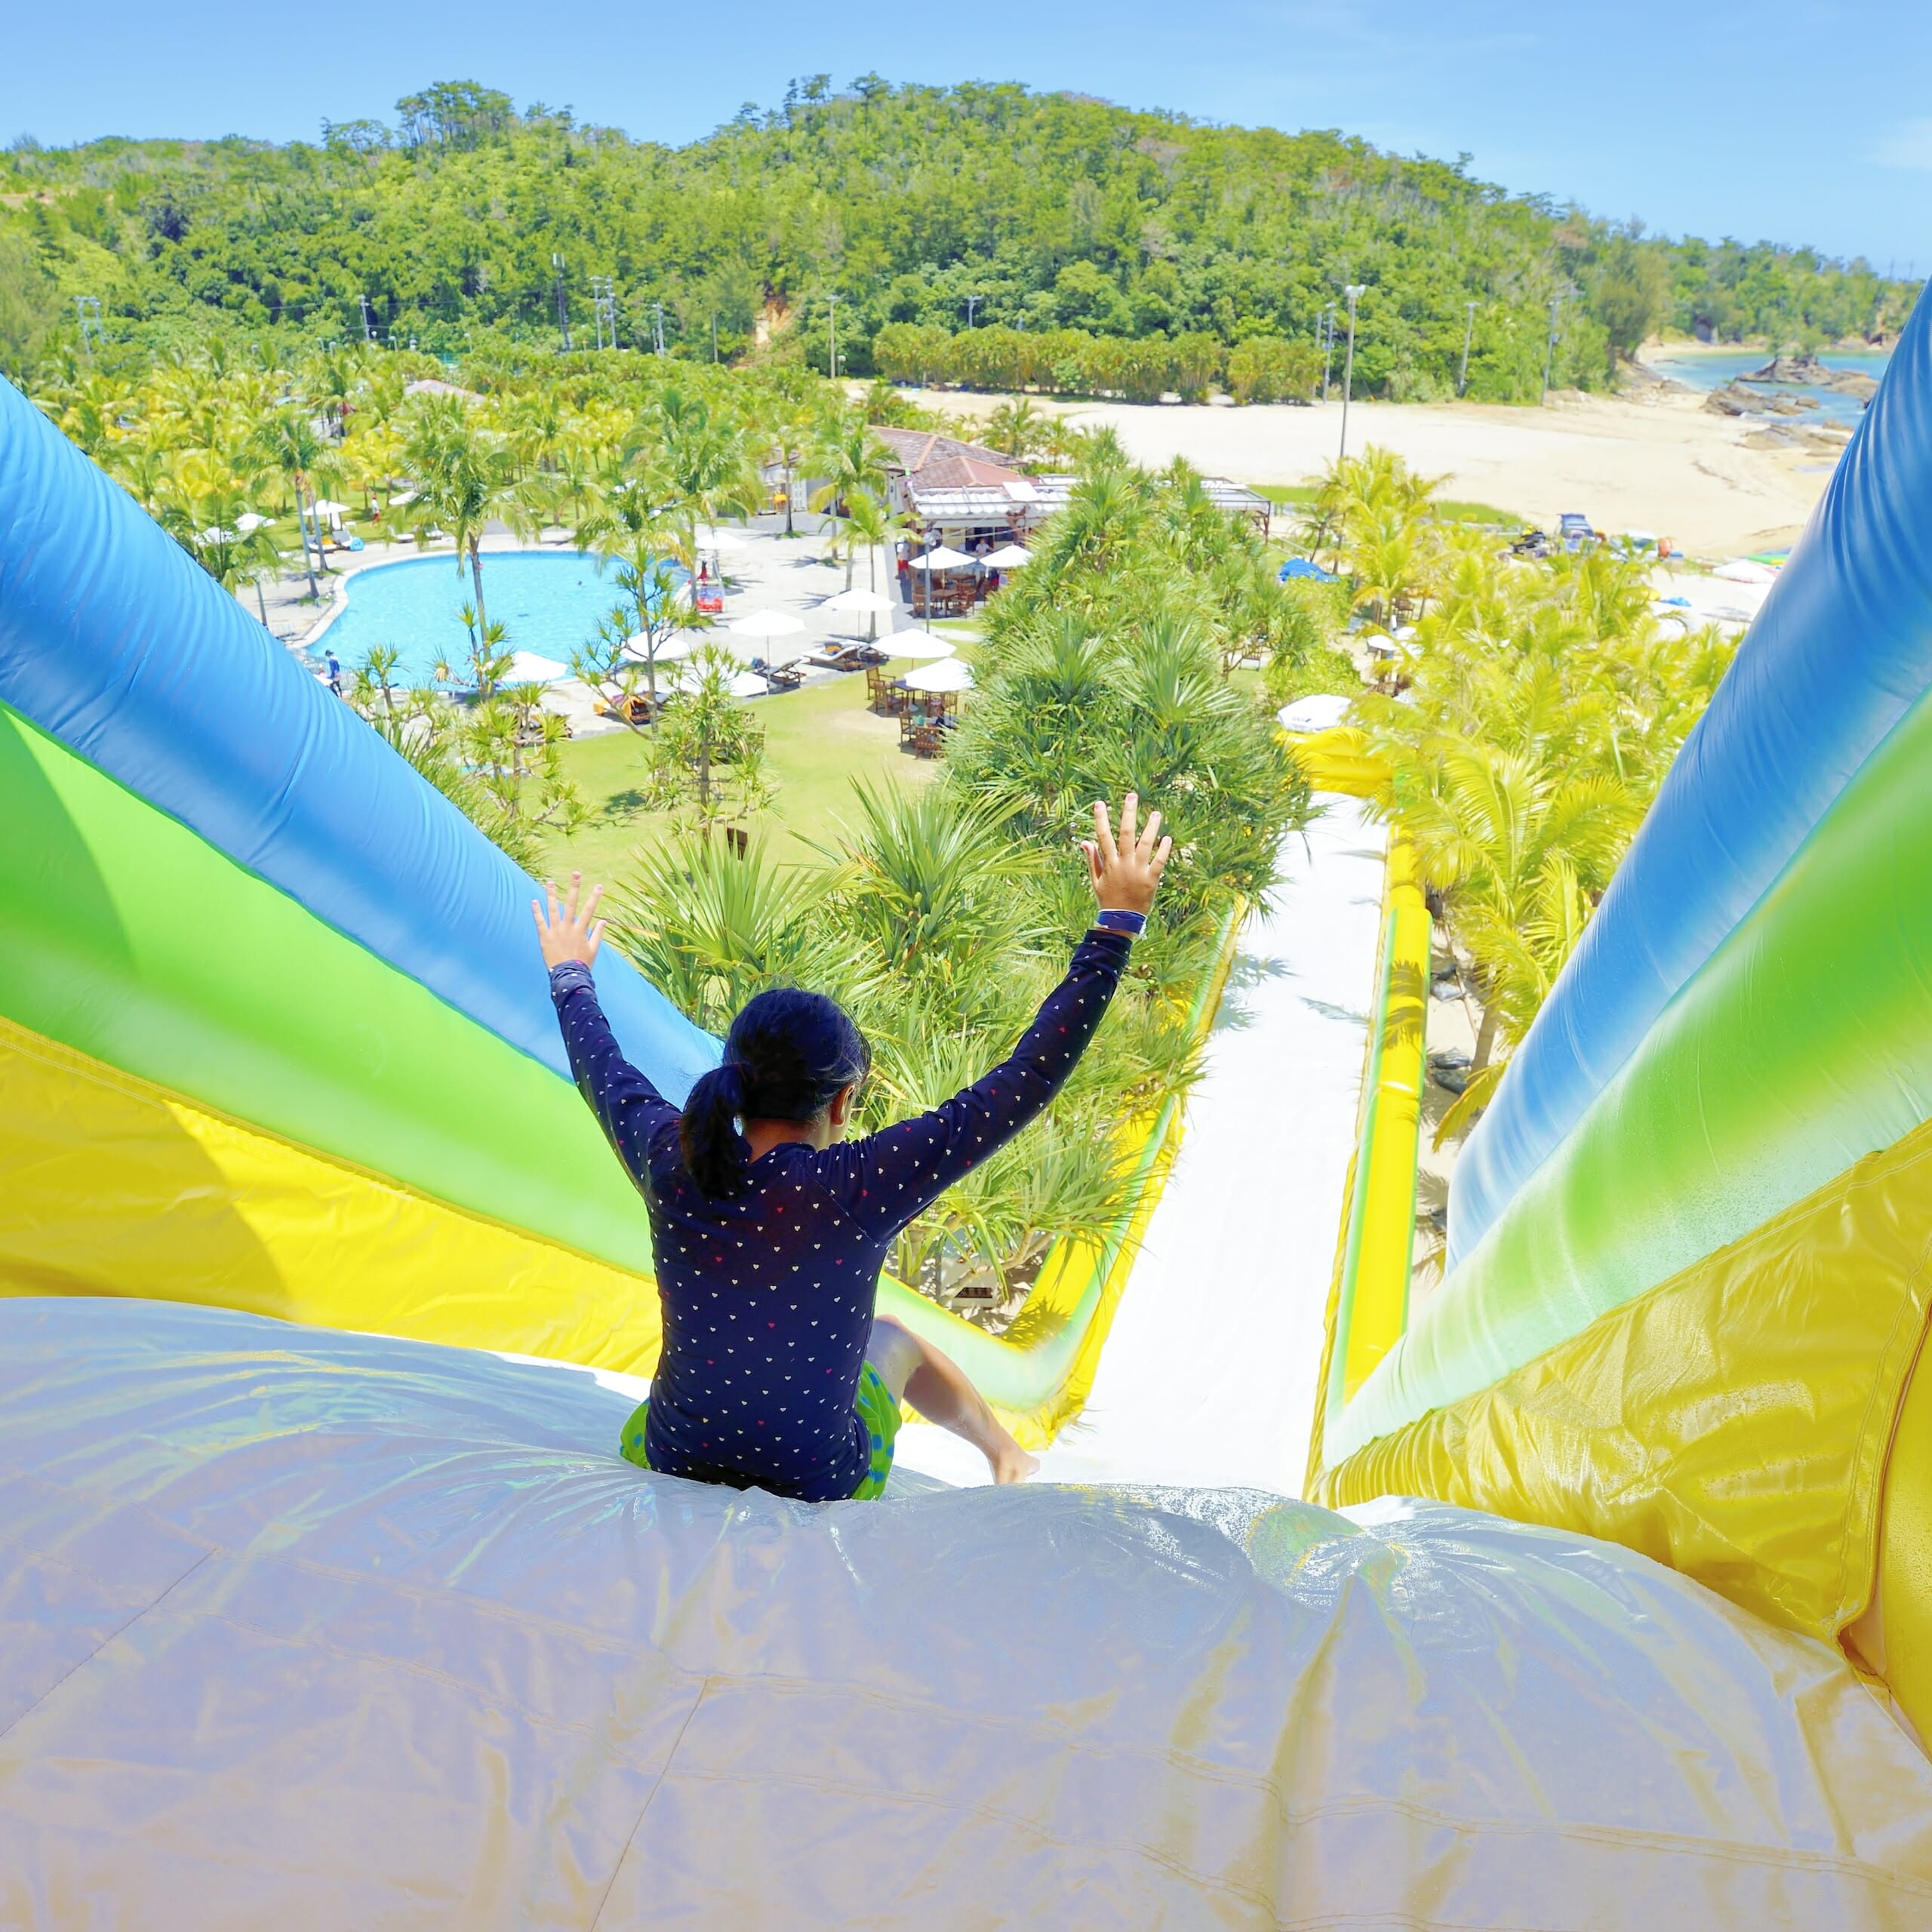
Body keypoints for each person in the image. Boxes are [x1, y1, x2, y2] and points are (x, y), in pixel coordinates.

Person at [533, 794, 1172, 1502]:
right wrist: (1116, 926)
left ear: (736, 1084)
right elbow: (1025, 1081)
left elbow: (602, 1067)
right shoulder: (856, 1187)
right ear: (840, 1103)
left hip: (672, 1455)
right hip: (820, 1482)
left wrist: (570, 973)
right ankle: (1006, 1455)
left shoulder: (671, 1159)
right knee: (893, 1337)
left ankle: (1006, 1453)